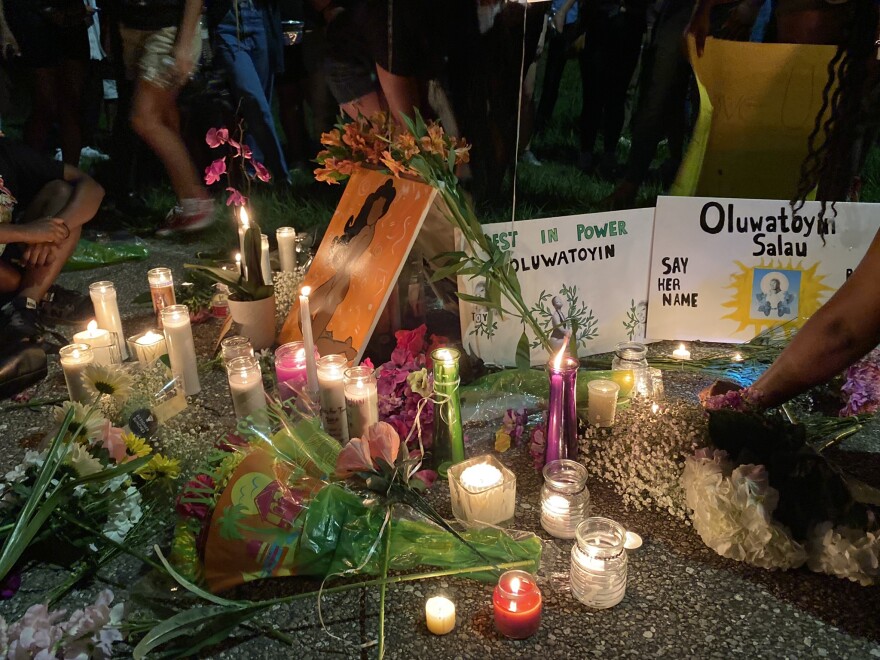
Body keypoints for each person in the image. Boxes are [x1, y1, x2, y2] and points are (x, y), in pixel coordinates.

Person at [120, 0, 214, 235]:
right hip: (133, 25)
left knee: (144, 118)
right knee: (165, 116)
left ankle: (197, 201)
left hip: (170, 29)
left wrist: (183, 43)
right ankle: (187, 203)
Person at [0, 138, 103, 345]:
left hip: (9, 260)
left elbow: (91, 188)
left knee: (61, 192)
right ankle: (32, 297)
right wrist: (27, 233)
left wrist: (57, 231)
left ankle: (24, 307)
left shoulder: (7, 153)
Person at [0, 0, 93, 165]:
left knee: (71, 105)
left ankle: (71, 176)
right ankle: (28, 173)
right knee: (45, 105)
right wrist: (5, 29)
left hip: (70, 16)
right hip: (32, 16)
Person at [207, 0, 289, 183]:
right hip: (226, 22)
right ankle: (281, 175)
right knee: (254, 100)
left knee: (262, 104)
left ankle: (254, 171)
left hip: (259, 17)